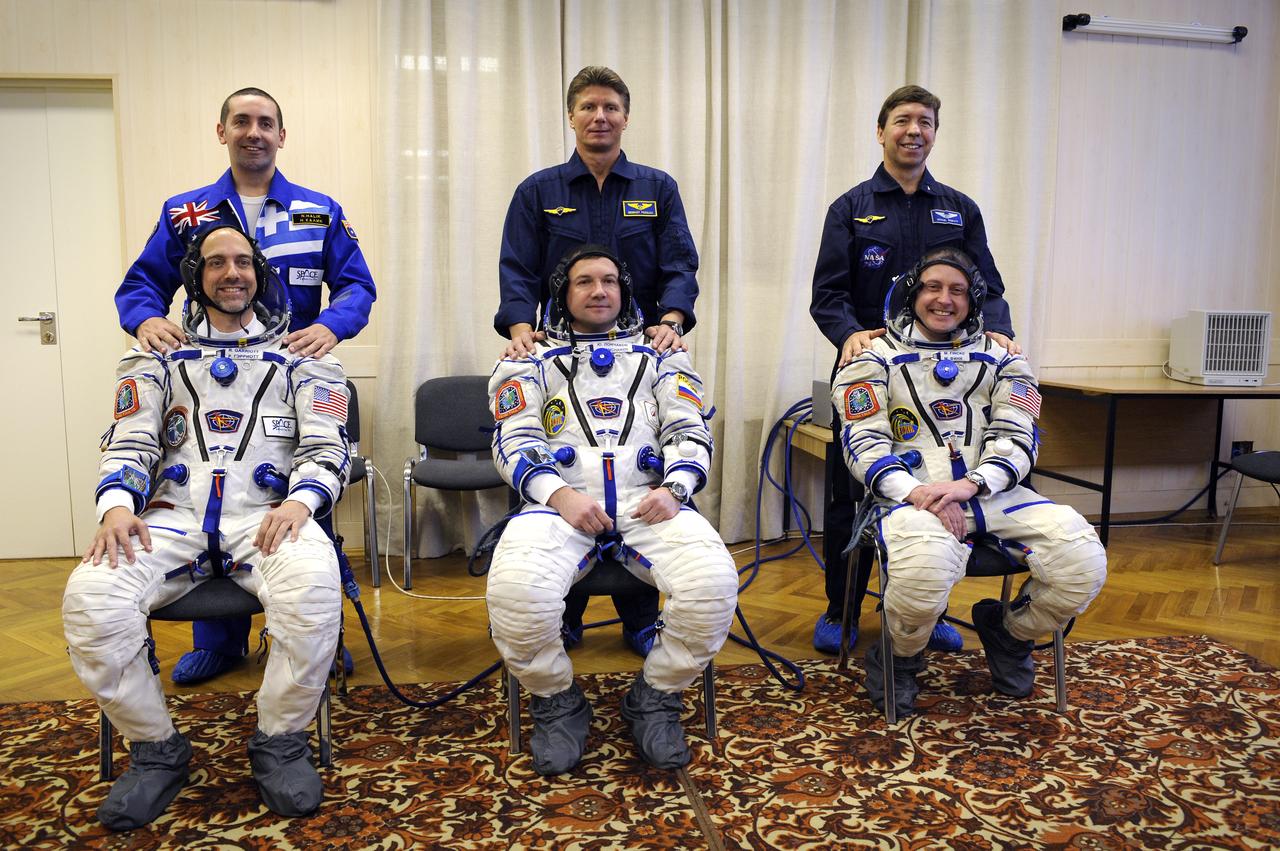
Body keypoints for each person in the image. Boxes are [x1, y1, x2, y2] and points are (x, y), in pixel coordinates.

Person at [64, 224, 349, 829]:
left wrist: (303, 502)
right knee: (90, 600)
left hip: (269, 517)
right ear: (196, 277)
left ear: (261, 274)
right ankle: (155, 750)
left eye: (244, 262)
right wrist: (116, 507)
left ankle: (280, 741)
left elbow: (328, 445)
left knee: (315, 591)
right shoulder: (152, 355)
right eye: (216, 263)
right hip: (170, 519)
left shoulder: (306, 358)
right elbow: (129, 440)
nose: (232, 273)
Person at [115, 87, 376, 684]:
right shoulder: (187, 214)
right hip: (209, 389)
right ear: (222, 131)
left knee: (305, 503)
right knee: (213, 493)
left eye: (266, 123)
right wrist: (146, 319)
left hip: (289, 384)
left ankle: (314, 631)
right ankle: (222, 641)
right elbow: (141, 285)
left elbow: (358, 287)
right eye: (242, 122)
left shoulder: (319, 210)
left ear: (282, 136)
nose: (253, 132)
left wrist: (329, 329)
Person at [485, 245, 737, 775]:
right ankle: (557, 701)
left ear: (624, 291)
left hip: (651, 502)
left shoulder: (663, 356)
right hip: (558, 506)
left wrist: (676, 488)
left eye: (609, 281)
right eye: (583, 282)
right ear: (562, 293)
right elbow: (514, 439)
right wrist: (560, 495)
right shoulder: (527, 357)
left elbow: (689, 430)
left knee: (713, 586)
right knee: (515, 595)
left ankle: (656, 695)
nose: (598, 291)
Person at [832, 247, 1106, 716]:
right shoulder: (871, 358)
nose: (944, 300)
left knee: (1082, 561)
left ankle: (1008, 632)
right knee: (922, 574)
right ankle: (897, 656)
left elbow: (1019, 437)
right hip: (909, 498)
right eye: (933, 288)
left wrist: (973, 485)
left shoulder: (1004, 359)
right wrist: (916, 491)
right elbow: (863, 444)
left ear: (974, 299)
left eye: (957, 290)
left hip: (993, 492)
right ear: (913, 294)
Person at [808, 84, 1020, 656]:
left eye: (925, 122)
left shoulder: (960, 208)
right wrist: (849, 334)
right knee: (850, 493)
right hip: (870, 372)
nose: (913, 131)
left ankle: (929, 605)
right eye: (902, 120)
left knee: (944, 482)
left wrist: (999, 330)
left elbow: (988, 289)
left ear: (934, 133)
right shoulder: (850, 209)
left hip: (949, 381)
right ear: (881, 132)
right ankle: (842, 610)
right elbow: (827, 295)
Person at [497, 66, 700, 656]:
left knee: (634, 458)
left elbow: (680, 264)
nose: (600, 117)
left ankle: (641, 616)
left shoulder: (656, 187)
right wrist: (520, 334)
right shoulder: (539, 191)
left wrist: (672, 322)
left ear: (625, 117)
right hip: (561, 354)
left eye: (611, 107)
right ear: (572, 116)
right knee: (566, 462)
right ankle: (561, 613)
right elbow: (517, 268)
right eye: (588, 107)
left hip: (641, 348)